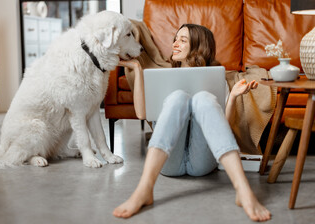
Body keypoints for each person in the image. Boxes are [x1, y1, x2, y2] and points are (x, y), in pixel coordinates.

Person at [112, 24, 271, 222]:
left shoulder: (214, 77)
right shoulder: (161, 75)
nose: (175, 44)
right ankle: (144, 189)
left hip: (202, 163)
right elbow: (141, 113)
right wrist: (136, 68)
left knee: (203, 98)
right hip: (170, 163)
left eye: (183, 40)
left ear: (197, 46)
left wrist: (233, 98)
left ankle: (243, 189)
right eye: (175, 39)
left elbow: (224, 127)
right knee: (178, 96)